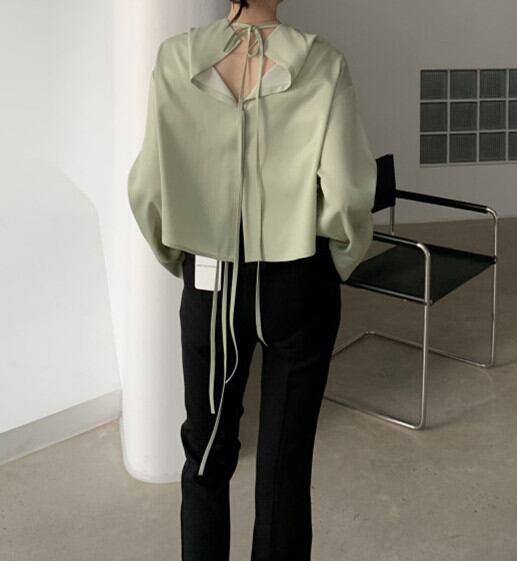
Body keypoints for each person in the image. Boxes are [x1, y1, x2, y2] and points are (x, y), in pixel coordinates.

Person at [127, 1, 377, 559]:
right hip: (299, 275)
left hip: (212, 277)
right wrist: (336, 262)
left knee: (206, 453)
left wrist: (183, 260)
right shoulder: (324, 63)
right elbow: (347, 190)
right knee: (287, 462)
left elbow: (147, 186)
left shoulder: (176, 59)